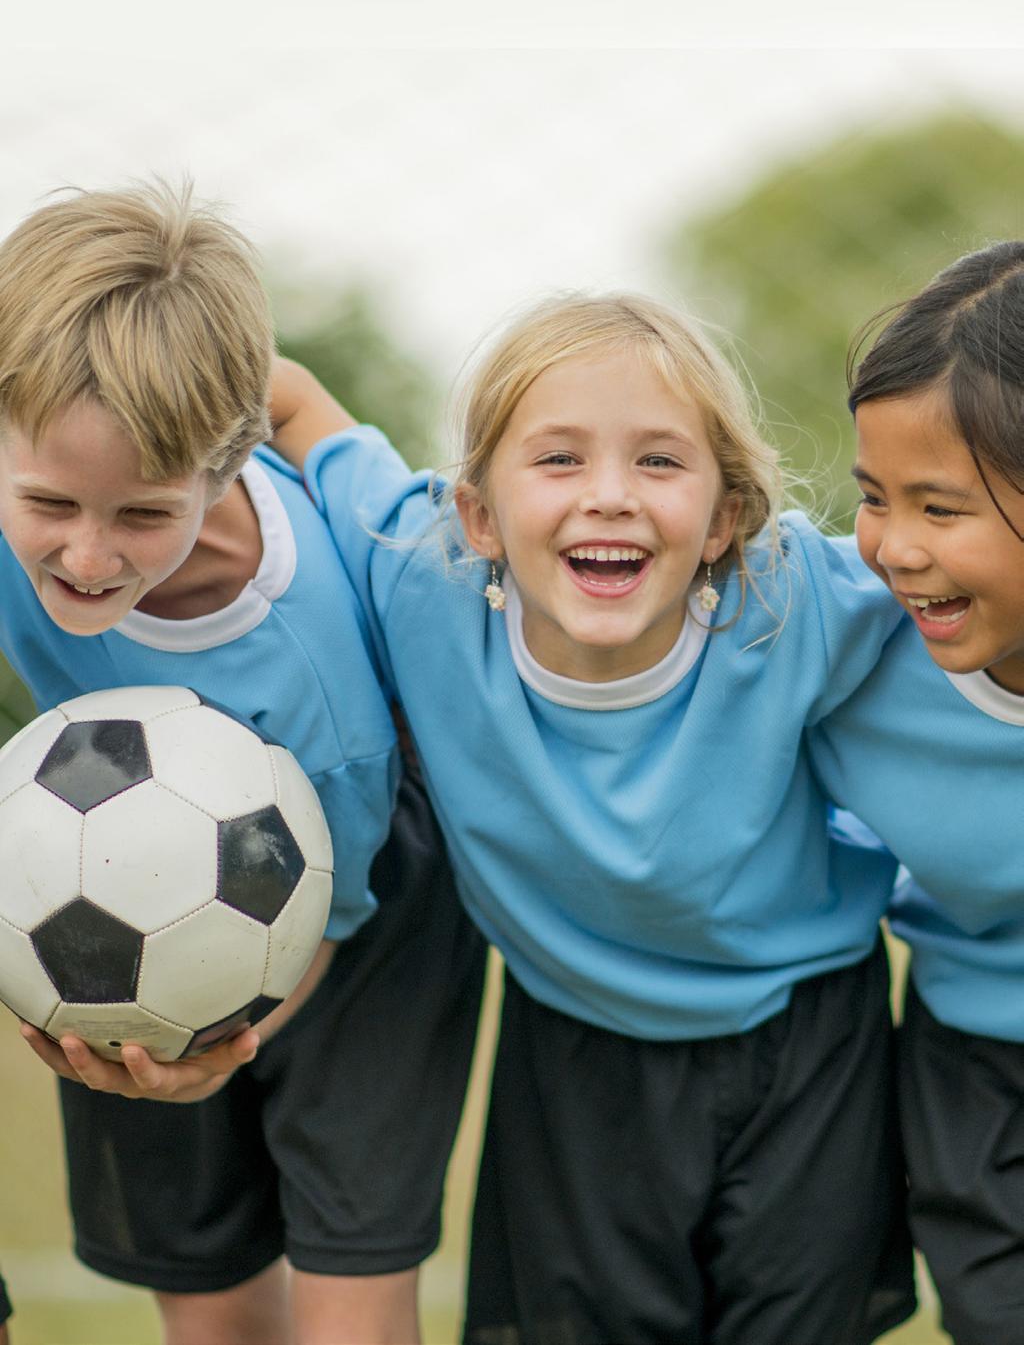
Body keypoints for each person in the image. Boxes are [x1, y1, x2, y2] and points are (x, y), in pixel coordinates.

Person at [270, 293, 916, 1345]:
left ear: (725, 517)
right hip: (576, 1044)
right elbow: (290, 396)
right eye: (558, 459)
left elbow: (967, 558)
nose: (608, 496)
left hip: (807, 1040)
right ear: (477, 513)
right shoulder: (417, 572)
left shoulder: (794, 597)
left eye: (659, 462)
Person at [0, 182, 485, 1345]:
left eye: (141, 514)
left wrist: (217, 1047)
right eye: (48, 501)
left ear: (226, 466)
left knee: (347, 1300)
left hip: (357, 895)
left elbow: (334, 908)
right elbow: (271, 376)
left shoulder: (313, 670)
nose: (85, 549)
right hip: (102, 864)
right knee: (208, 1298)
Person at [807, 241, 1024, 1345]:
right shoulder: (843, 630)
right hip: (970, 1070)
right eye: (873, 498)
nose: (890, 547)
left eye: (938, 508)